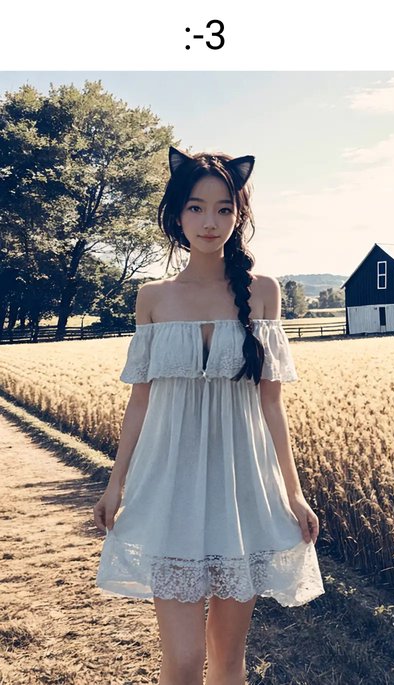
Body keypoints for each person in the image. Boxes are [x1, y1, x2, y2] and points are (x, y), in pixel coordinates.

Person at [95, 147, 323, 683]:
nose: (210, 222)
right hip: (167, 484)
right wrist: (114, 486)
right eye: (197, 208)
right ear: (177, 214)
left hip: (242, 489)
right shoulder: (152, 298)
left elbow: (272, 404)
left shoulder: (263, 293)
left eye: (224, 209)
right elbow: (140, 400)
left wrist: (293, 492)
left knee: (228, 659)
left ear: (239, 215)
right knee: (181, 661)